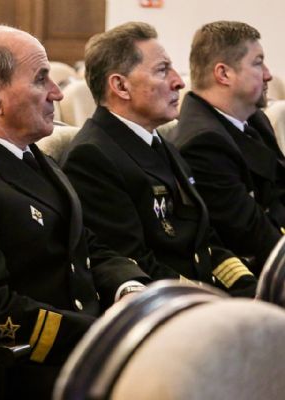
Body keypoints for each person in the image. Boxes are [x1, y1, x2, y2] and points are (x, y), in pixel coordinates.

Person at [0, 25, 150, 399]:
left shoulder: (27, 154)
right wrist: (102, 335)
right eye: (40, 79)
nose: (57, 92)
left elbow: (82, 243)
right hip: (31, 371)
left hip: (82, 351)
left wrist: (128, 287)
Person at [61, 22, 256, 297]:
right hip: (163, 306)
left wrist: (249, 288)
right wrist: (214, 300)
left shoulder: (157, 142)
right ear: (121, 86)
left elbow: (205, 240)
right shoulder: (92, 158)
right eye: (162, 70)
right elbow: (133, 263)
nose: (179, 81)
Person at [169, 21, 285, 272]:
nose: (267, 74)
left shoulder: (254, 119)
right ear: (223, 74)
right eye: (258, 63)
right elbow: (254, 236)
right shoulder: (202, 143)